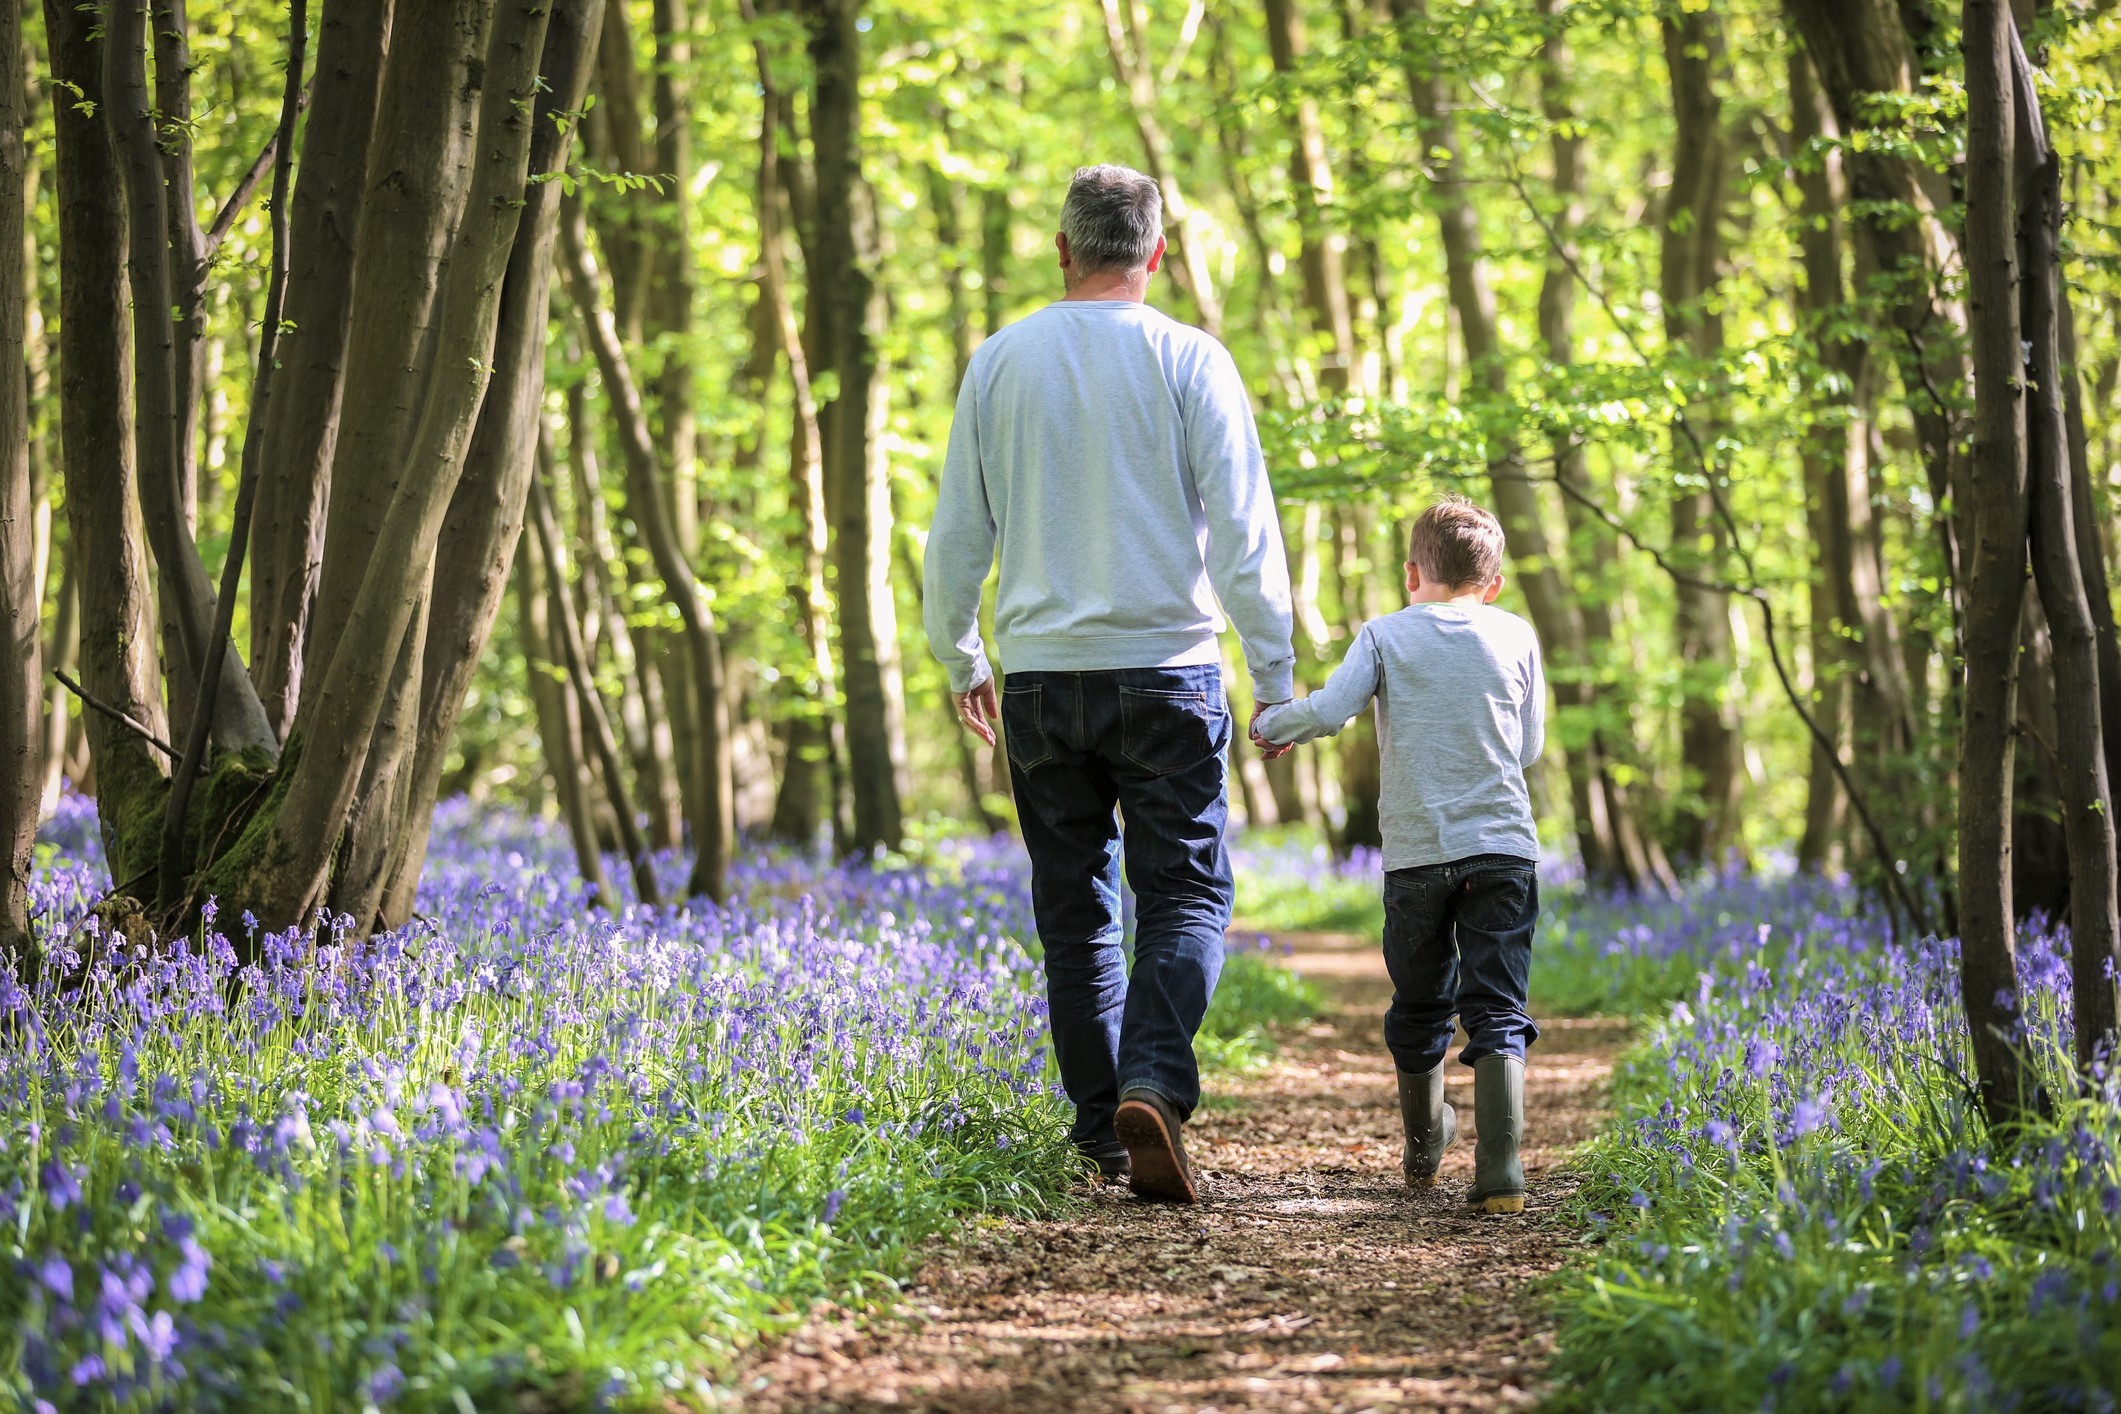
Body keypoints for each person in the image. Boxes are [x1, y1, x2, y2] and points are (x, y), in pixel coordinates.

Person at [923, 164, 1296, 1204]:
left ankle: (1100, 1134)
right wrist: (1274, 673)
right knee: (1183, 894)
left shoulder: (1000, 362)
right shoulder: (1191, 360)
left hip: (1041, 680)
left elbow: (958, 532)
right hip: (1168, 672)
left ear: (1062, 249)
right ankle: (1154, 1088)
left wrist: (960, 655)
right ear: (1158, 254)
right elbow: (1245, 536)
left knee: (1075, 912)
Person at [1251, 496, 1543, 1214]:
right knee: (1496, 1004)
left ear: (1411, 573)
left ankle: (1422, 1147)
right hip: (1503, 847)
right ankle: (1499, 1170)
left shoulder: (1384, 635)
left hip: (1416, 856)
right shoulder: (1517, 637)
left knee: (1419, 1000)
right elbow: (1528, 747)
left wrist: (1270, 724)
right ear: (1493, 582)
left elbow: (1329, 710)